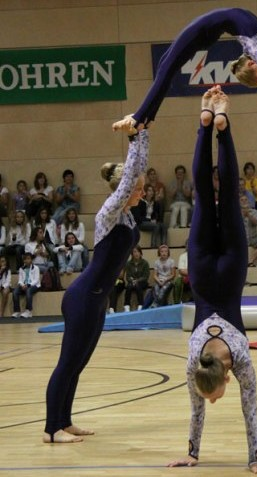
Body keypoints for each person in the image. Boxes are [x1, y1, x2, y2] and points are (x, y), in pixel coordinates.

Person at [168, 87, 257, 473]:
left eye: (212, 397)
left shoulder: (242, 362)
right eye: (215, 396)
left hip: (229, 272)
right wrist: (199, 454)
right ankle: (207, 124)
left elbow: (249, 409)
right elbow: (202, 409)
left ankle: (222, 124)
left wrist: (253, 459)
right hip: (202, 272)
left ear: (224, 376)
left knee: (228, 197)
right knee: (205, 197)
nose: (212, 401)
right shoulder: (193, 364)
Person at [43, 126, 148, 444]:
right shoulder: (109, 214)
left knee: (79, 363)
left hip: (98, 299)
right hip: (83, 297)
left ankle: (65, 420)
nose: (142, 192)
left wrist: (142, 134)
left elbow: (139, 168)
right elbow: (131, 174)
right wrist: (132, 140)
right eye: (138, 189)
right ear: (123, 190)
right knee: (67, 363)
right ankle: (51, 429)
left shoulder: (128, 216)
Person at [113, 8, 257, 132]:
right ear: (251, 64)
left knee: (166, 69)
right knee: (164, 67)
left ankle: (142, 118)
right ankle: (142, 118)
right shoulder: (253, 49)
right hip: (201, 31)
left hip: (205, 32)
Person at [131, 183, 167, 248]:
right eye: (149, 190)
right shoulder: (140, 202)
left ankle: (164, 245)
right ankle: (153, 245)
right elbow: (138, 218)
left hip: (151, 222)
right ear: (145, 192)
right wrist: (150, 220)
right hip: (141, 223)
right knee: (156, 226)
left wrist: (158, 204)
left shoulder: (155, 203)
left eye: (152, 191)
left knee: (163, 225)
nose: (151, 192)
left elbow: (158, 216)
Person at [12, 252, 41, 318]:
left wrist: (28, 285)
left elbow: (36, 280)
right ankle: (17, 311)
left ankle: (28, 311)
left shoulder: (36, 268)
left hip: (34, 286)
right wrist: (22, 285)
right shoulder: (21, 269)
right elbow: (20, 280)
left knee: (28, 291)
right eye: (25, 259)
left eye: (28, 259)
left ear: (31, 260)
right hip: (24, 285)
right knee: (15, 292)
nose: (27, 260)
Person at [240, 195, 257, 267]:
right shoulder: (236, 212)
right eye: (242, 200)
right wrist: (242, 215)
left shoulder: (254, 211)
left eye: (245, 199)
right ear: (239, 202)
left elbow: (256, 222)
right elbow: (234, 224)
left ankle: (250, 261)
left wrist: (248, 215)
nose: (244, 201)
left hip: (253, 238)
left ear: (248, 202)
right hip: (241, 238)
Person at [145, 244, 175, 308]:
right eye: (162, 251)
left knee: (162, 290)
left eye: (165, 251)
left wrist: (165, 280)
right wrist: (159, 281)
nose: (164, 253)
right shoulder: (156, 262)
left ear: (168, 252)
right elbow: (155, 275)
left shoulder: (171, 261)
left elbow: (173, 275)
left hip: (168, 281)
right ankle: (161, 305)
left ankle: (155, 304)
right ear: (159, 252)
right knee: (156, 289)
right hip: (159, 280)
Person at [123, 245, 150, 312]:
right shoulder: (128, 263)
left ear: (140, 253)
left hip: (142, 282)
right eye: (134, 252)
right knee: (128, 286)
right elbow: (128, 276)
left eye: (138, 252)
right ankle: (126, 306)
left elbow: (146, 276)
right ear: (132, 254)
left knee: (138, 285)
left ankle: (141, 305)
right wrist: (132, 280)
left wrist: (137, 280)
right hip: (132, 282)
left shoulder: (145, 263)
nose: (136, 253)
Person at [173, 240, 192, 304]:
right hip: (184, 278)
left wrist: (189, 271)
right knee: (178, 282)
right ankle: (177, 303)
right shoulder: (182, 256)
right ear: (186, 246)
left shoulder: (198, 256)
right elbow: (181, 271)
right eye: (188, 244)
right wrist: (192, 272)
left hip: (195, 277)